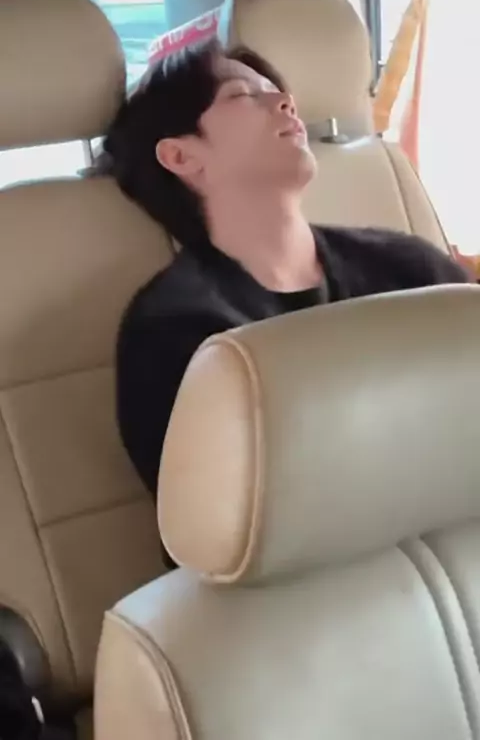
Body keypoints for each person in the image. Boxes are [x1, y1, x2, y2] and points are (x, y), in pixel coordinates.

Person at [103, 38, 467, 510]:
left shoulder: (409, 267)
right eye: (241, 94)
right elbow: (216, 520)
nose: (284, 100)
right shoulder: (176, 332)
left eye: (276, 90)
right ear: (181, 156)